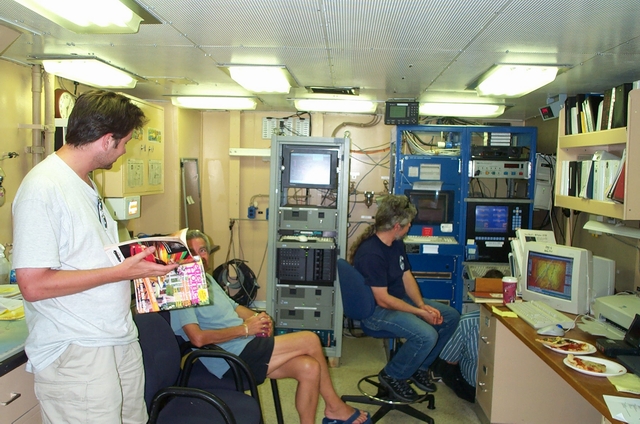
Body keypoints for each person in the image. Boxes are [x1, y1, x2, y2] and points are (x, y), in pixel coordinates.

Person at [12, 90, 179, 424]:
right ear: (107, 140)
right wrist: (121, 273)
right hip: (78, 350)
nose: (125, 150)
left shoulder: (84, 183)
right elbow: (33, 285)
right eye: (124, 143)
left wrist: (143, 265)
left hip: (115, 338)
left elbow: (92, 256)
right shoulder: (43, 188)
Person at [171, 230, 371, 424]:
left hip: (244, 344)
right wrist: (246, 329)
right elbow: (197, 338)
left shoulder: (205, 279)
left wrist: (259, 319)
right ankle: (335, 407)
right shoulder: (182, 288)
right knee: (310, 340)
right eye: (192, 251)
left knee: (309, 368)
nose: (199, 257)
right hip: (228, 358)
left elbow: (234, 307)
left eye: (203, 250)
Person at [348, 194, 460, 402]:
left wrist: (421, 305)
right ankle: (393, 374)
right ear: (397, 226)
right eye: (408, 224)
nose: (410, 227)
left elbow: (406, 276)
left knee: (451, 316)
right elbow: (383, 300)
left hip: (396, 301)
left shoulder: (395, 243)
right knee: (426, 335)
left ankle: (419, 367)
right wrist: (420, 313)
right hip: (376, 311)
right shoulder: (371, 253)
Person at [433, 268, 504, 403]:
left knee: (441, 357)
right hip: (501, 391)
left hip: (472, 389)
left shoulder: (467, 321)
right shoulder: (512, 325)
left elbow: (450, 360)